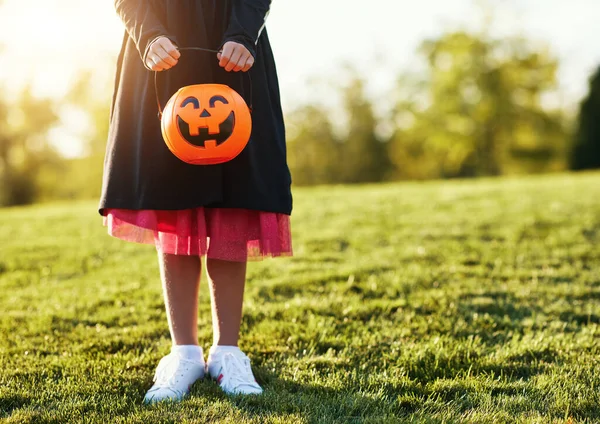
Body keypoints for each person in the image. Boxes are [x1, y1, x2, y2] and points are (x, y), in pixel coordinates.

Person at [100, 0, 292, 403]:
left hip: (234, 47)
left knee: (233, 197)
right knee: (173, 197)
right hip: (158, 52)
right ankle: (183, 352)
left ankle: (228, 352)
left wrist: (243, 32)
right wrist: (147, 33)